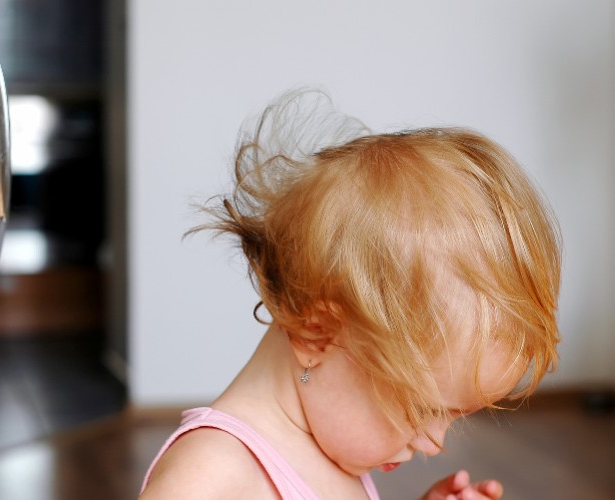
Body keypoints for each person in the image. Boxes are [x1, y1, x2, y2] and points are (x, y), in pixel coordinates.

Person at [139, 90, 562, 500]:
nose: (434, 445)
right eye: (421, 411)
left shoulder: (328, 454)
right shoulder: (212, 474)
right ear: (317, 334)